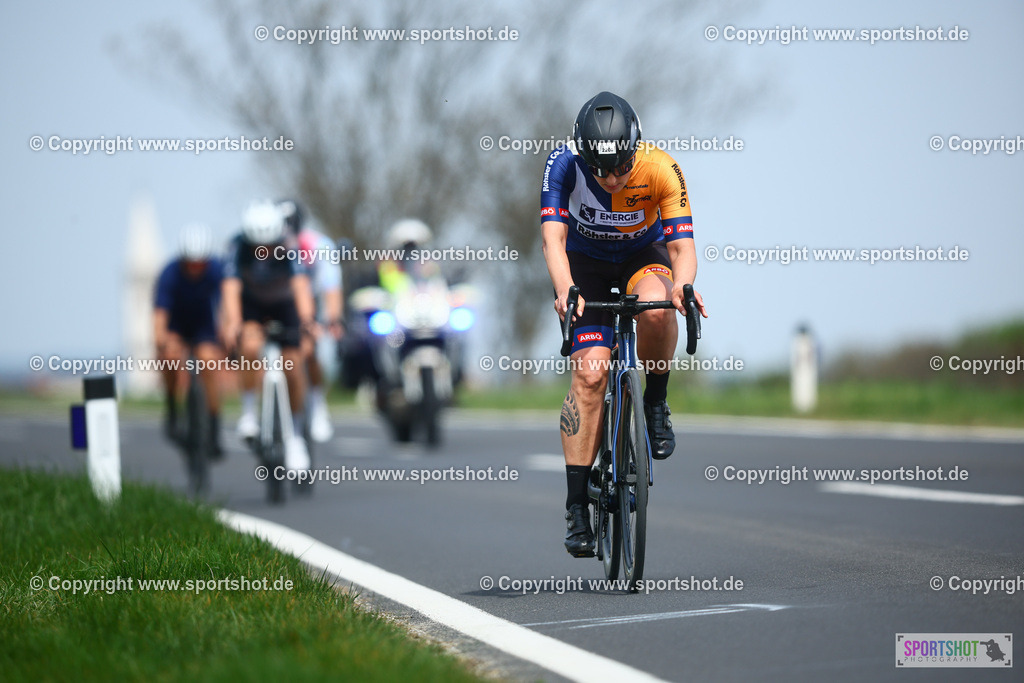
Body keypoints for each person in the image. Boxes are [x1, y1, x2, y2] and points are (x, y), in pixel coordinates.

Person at [540, 91, 709, 557]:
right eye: (601, 170)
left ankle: (655, 401)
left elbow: (682, 247)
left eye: (620, 167)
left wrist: (684, 286)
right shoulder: (563, 165)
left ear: (636, 147)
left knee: (657, 308)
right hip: (585, 262)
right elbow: (553, 240)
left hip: (641, 256)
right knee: (590, 373)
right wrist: (564, 289)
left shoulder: (661, 166)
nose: (612, 178)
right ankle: (577, 506)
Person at [221, 200, 316, 468]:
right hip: (252, 306)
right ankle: (249, 413)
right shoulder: (236, 246)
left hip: (283, 305)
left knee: (294, 365)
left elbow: (300, 286)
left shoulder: (289, 245)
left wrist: (307, 320)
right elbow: (230, 287)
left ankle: (296, 437)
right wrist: (234, 323)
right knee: (250, 347)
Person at [153, 224, 225, 457]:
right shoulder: (169, 273)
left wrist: (225, 333)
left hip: (203, 326)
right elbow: (160, 316)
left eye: (200, 264)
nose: (195, 269)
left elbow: (226, 304)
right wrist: (162, 341)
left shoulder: (216, 269)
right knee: (170, 357)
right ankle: (173, 407)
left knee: (208, 362)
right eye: (190, 264)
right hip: (177, 325)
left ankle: (214, 426)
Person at [277, 199, 344, 443]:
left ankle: (317, 403)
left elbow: (331, 287)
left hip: (309, 303)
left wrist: (332, 319)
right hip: (275, 303)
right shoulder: (264, 244)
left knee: (308, 350)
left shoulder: (318, 245)